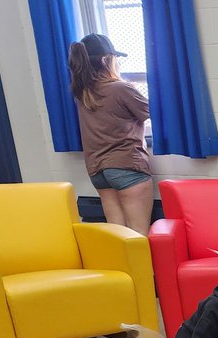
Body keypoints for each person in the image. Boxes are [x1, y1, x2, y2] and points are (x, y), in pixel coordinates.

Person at [68, 33, 153, 236]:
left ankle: (121, 269)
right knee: (138, 234)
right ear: (107, 60)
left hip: (98, 171)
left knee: (118, 235)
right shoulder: (120, 88)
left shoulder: (82, 92)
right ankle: (142, 270)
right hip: (126, 165)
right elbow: (151, 112)